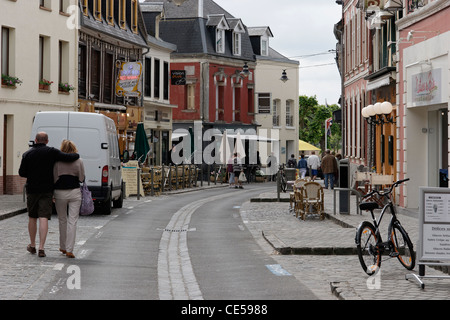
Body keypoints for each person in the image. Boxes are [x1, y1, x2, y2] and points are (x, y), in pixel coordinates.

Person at [19, 132, 79, 257]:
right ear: (47, 141)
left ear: (35, 140)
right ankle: (42, 247)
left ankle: (32, 245)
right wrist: (77, 154)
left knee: (32, 217)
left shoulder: (27, 154)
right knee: (43, 217)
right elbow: (68, 157)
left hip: (32, 189)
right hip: (47, 190)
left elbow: (22, 173)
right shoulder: (51, 152)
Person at [53, 140, 85, 258]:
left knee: (62, 220)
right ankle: (70, 249)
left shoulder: (57, 161)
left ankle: (62, 246)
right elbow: (81, 178)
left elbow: (54, 178)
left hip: (60, 192)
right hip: (74, 192)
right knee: (73, 221)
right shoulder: (79, 161)